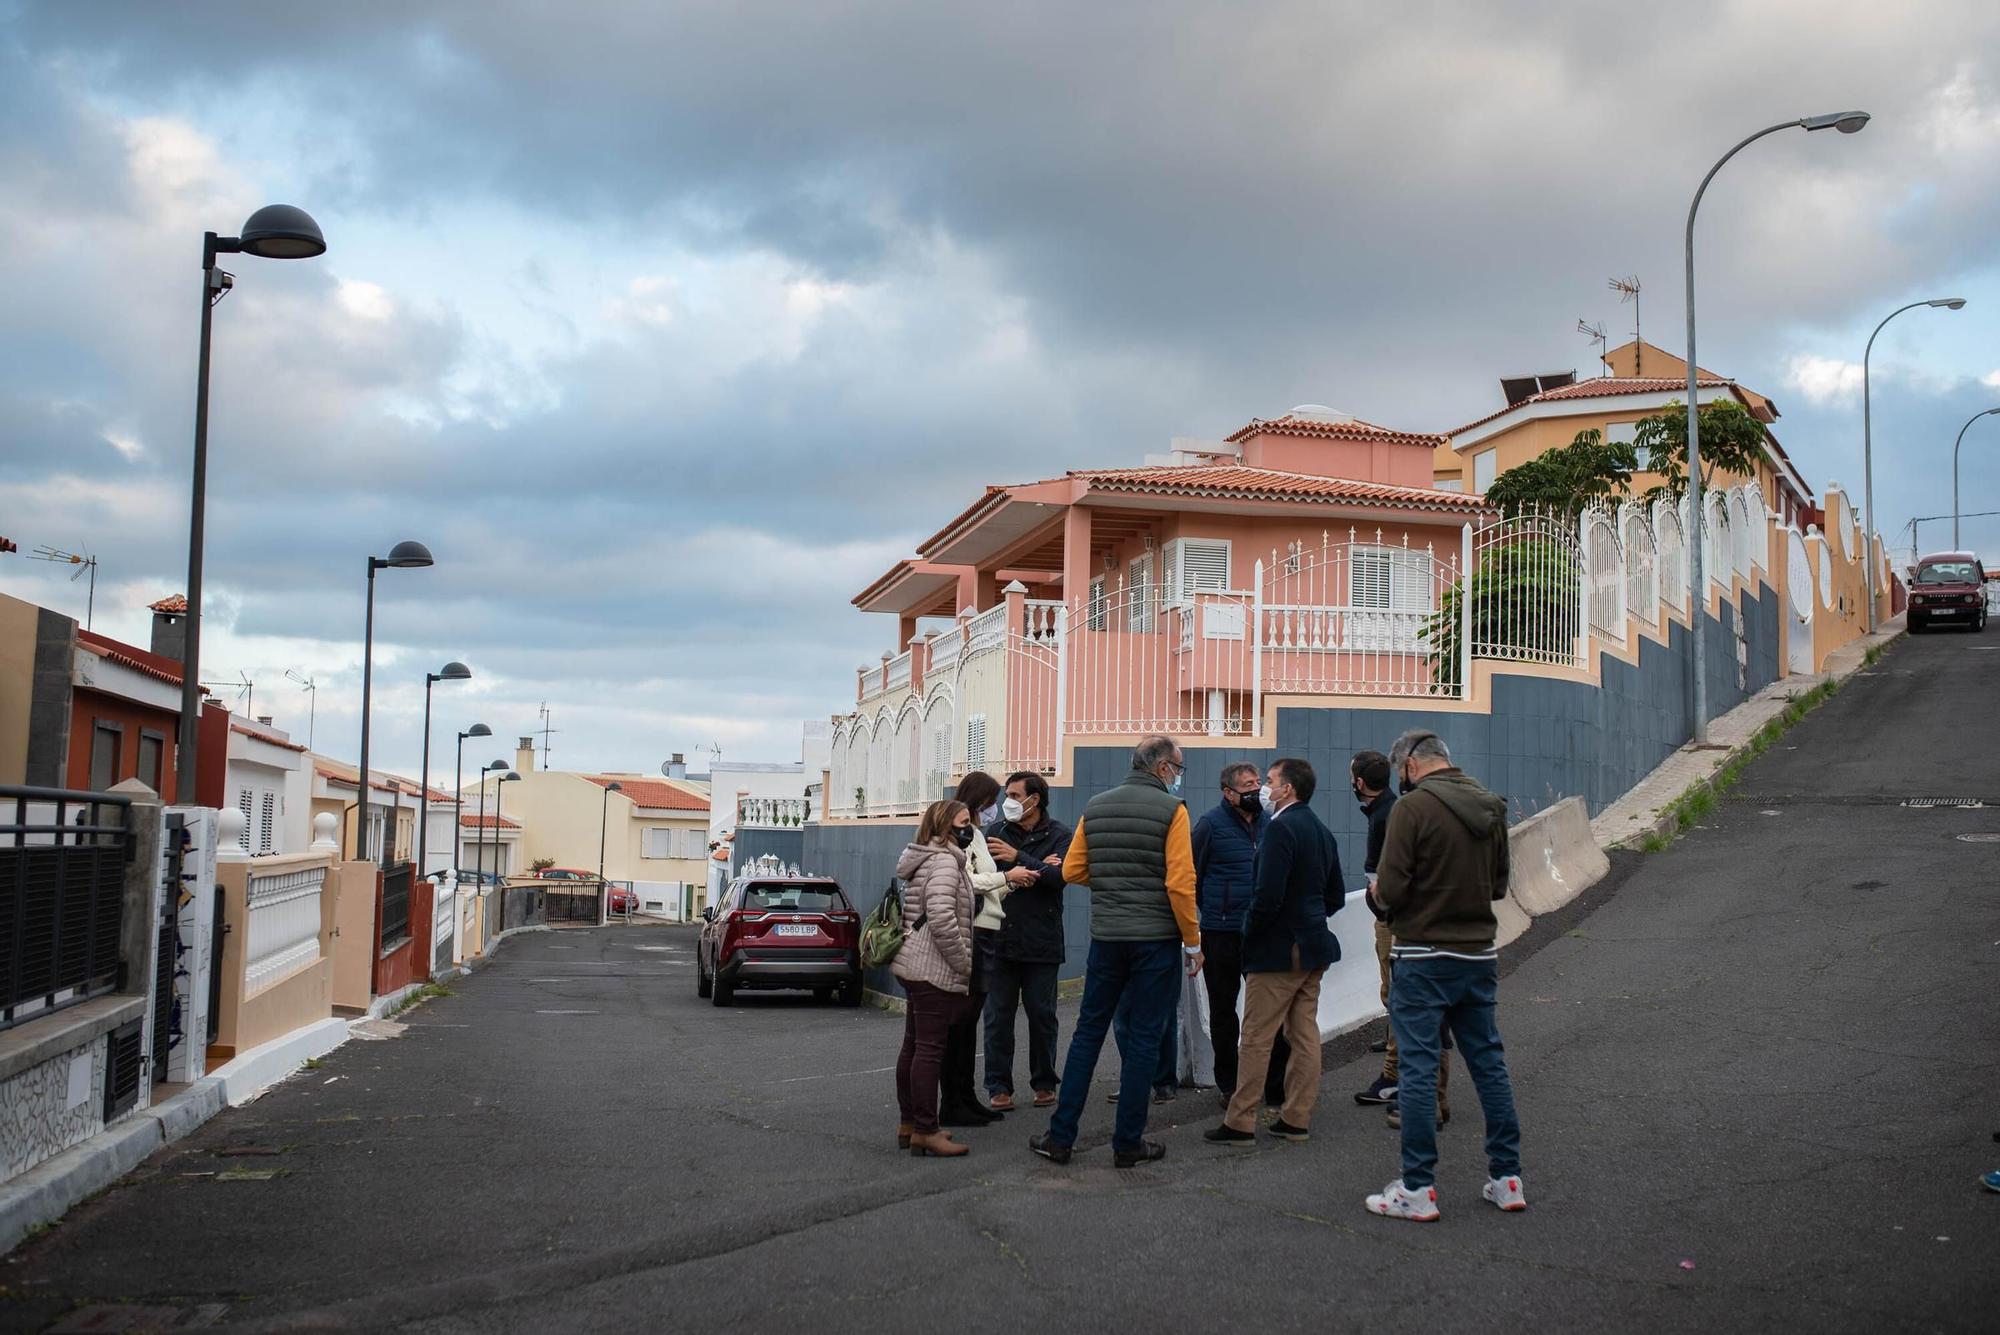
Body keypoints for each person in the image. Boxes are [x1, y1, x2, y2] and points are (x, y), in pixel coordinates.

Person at [1364, 730, 1525, 1221]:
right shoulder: (1490, 805)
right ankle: (1507, 1178)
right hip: (1477, 953)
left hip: (1421, 955)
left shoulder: (1412, 810)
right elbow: (1499, 885)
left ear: (1410, 765)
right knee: (1489, 1064)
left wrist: (1378, 901)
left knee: (1417, 1068)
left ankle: (1417, 1188)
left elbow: (1388, 889)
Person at [1029, 736, 1201, 1168]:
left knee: (1088, 1032)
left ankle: (1060, 1137)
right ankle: (1128, 1143)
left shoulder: (1097, 806)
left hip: (1107, 939)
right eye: (1177, 769)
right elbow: (1180, 883)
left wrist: (1113, 885)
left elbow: (1072, 870)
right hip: (1155, 942)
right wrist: (1194, 941)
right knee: (1143, 1038)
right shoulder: (1173, 811)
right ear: (1163, 769)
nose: (1178, 777)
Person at [1204, 758, 1344, 1146]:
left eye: (1269, 781)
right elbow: (1335, 894)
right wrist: (1310, 916)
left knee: (1255, 1036)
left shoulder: (1280, 830)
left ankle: (1241, 1120)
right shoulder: (1319, 829)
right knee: (1304, 1035)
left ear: (1287, 789)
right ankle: (1296, 1117)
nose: (1264, 788)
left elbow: (1266, 896)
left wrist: (1250, 933)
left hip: (1278, 952)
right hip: (1314, 948)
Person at [1354, 747, 1450, 1124]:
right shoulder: (1397, 811)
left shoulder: (1392, 815)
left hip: (1408, 924)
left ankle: (1399, 1079)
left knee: (1409, 1003)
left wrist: (1382, 900)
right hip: (1430, 926)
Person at [1192, 761, 1285, 1103]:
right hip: (1221, 932)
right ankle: (1229, 1083)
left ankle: (1275, 1085)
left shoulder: (1272, 822)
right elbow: (1192, 876)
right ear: (1228, 793)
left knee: (1272, 1010)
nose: (1256, 789)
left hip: (1262, 932)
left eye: (1259, 782)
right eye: (1248, 784)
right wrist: (1216, 909)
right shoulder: (1210, 825)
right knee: (1223, 1010)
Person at [892, 800, 979, 1158]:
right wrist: (962, 962)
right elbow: (942, 917)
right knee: (929, 1050)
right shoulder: (945, 860)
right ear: (946, 827)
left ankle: (910, 1123)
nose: (970, 827)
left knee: (913, 1046)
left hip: (914, 963)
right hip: (933, 968)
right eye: (964, 822)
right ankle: (926, 1130)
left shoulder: (926, 856)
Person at [982, 771, 1071, 1111]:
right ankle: (998, 1086)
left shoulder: (1060, 834)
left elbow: (1059, 878)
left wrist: (1018, 858)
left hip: (1042, 940)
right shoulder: (995, 833)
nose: (1010, 802)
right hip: (1001, 940)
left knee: (1042, 1014)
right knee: (998, 1017)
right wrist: (1037, 869)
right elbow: (987, 877)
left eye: (1016, 796)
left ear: (1035, 799)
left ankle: (1044, 1083)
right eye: (1008, 795)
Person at [939, 771, 1010, 1126]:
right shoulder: (962, 834)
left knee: (969, 1022)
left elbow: (989, 887)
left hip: (987, 927)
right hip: (975, 931)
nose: (995, 807)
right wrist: (1006, 877)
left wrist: (1015, 881)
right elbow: (967, 881)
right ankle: (954, 1100)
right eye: (992, 800)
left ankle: (965, 1096)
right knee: (961, 1021)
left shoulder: (978, 833)